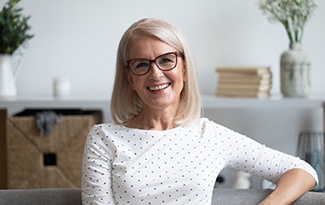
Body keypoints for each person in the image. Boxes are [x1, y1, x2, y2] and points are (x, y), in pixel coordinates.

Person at [81, 18, 318, 205]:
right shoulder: (103, 139)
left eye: (166, 60)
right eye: (142, 64)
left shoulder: (210, 136)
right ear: (130, 78)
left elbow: (303, 171)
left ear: (184, 69)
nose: (155, 73)